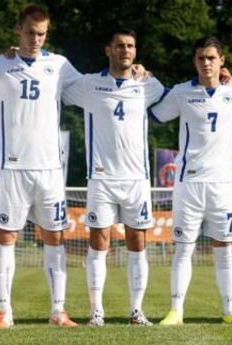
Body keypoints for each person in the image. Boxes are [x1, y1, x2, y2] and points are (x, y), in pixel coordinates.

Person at [148, 37, 232, 325]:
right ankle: (176, 310)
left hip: (223, 184)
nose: (206, 63)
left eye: (212, 57)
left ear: (222, 60)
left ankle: (230, 310)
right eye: (201, 58)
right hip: (189, 183)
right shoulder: (181, 92)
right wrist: (144, 79)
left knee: (224, 248)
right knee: (183, 247)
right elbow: (154, 115)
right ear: (194, 61)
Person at [0, 5, 81, 328]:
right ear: (18, 30)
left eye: (41, 34)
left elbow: (95, 88)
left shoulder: (60, 65)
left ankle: (58, 310)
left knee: (55, 238)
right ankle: (4, 310)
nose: (35, 39)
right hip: (12, 169)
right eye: (30, 32)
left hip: (50, 170)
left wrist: (135, 71)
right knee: (5, 236)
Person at [62, 28, 166, 327]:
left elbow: (182, 94)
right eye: (120, 46)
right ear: (108, 50)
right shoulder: (89, 85)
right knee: (99, 243)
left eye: (131, 46)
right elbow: (56, 91)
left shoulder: (149, 84)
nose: (126, 51)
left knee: (138, 243)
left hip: (136, 179)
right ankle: (97, 312)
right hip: (101, 178)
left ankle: (136, 311)